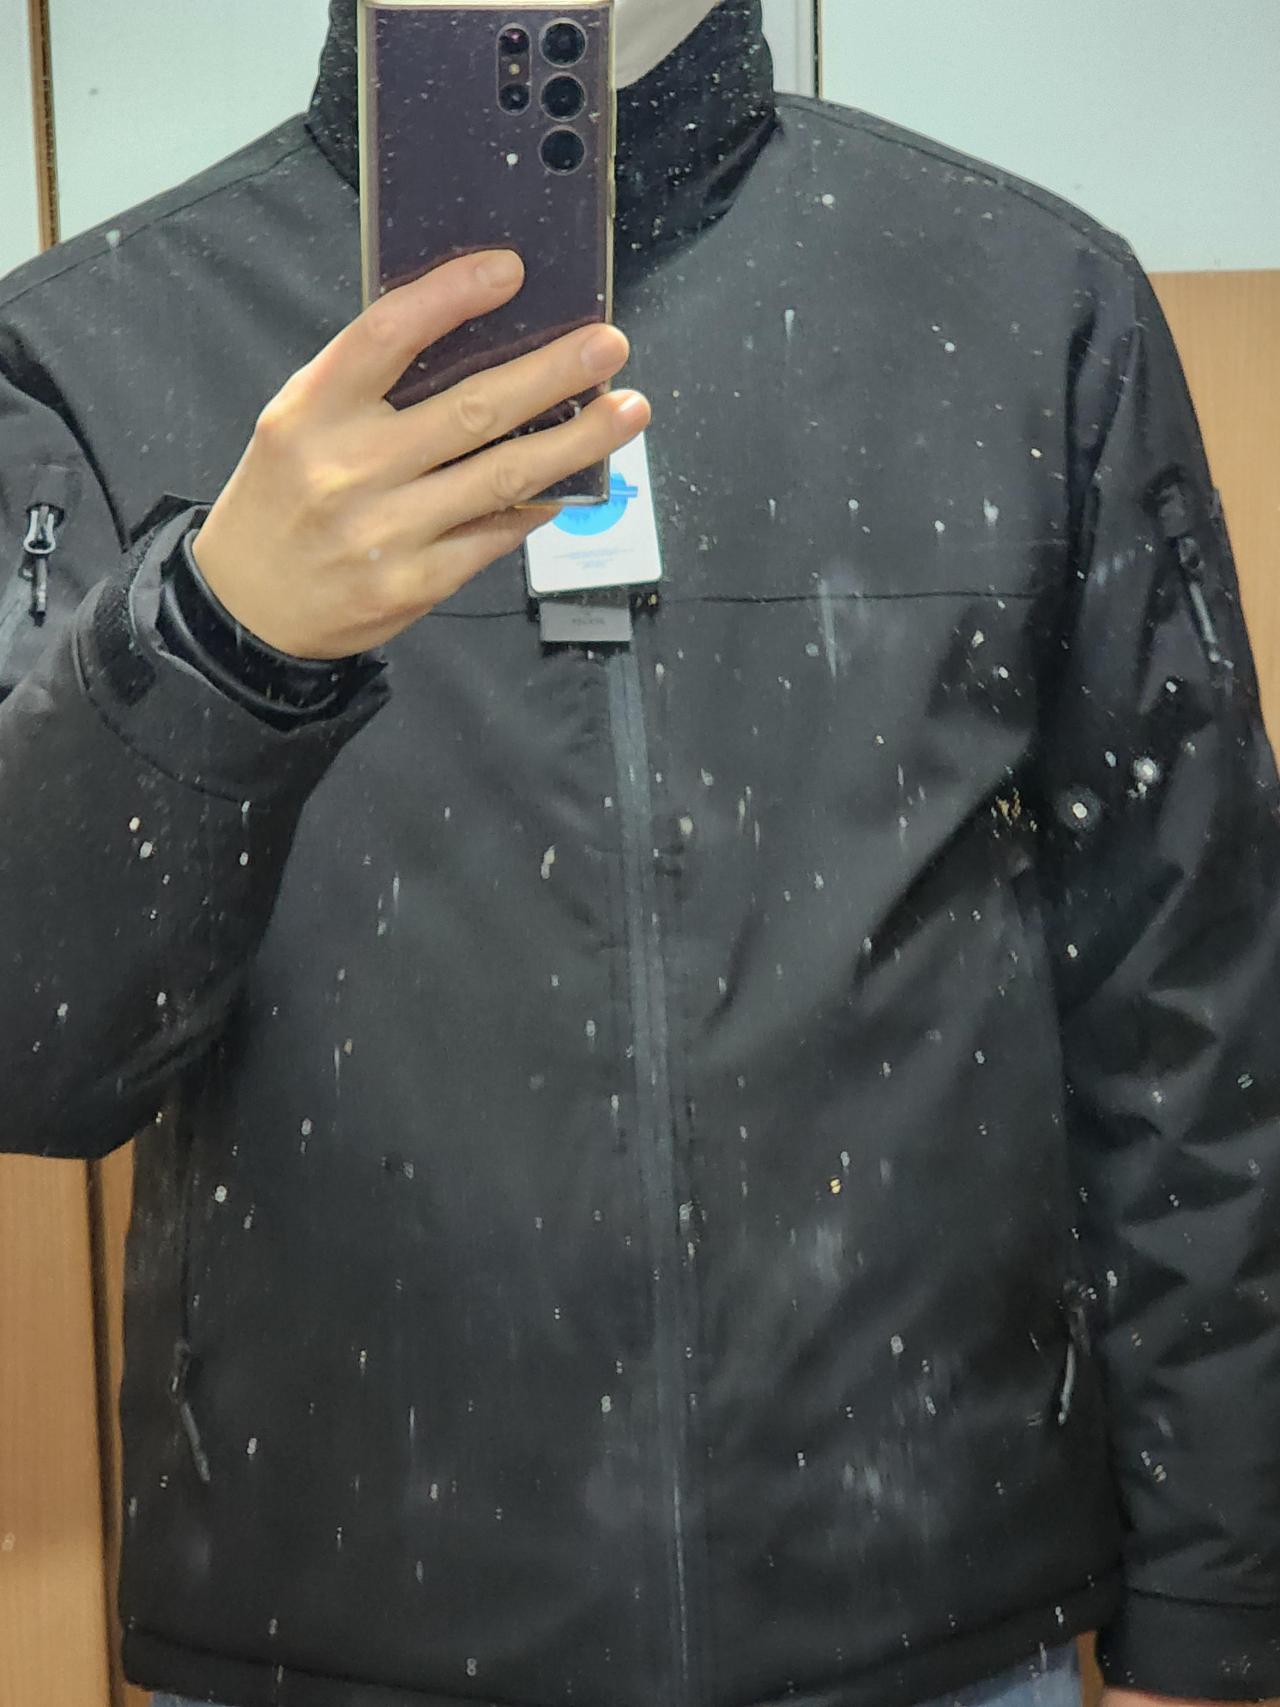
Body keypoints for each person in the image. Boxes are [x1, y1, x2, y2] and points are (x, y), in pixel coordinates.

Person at [2, 3, 1278, 1706]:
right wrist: (225, 633)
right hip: (323, 1639)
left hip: (940, 1630)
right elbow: (35, 1051)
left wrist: (1215, 1614)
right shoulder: (90, 345)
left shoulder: (1023, 302)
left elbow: (1188, 1003)